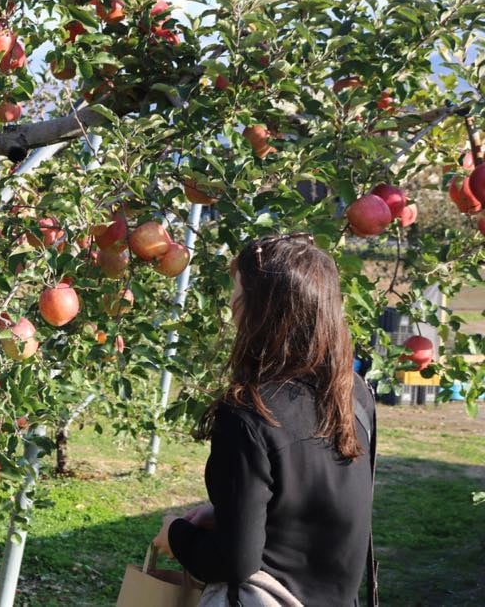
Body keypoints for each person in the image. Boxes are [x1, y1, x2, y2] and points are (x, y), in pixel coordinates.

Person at [152, 233, 375, 606]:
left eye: (237, 294)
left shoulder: (248, 415)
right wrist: (234, 511)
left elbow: (232, 563)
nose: (231, 304)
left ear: (260, 311)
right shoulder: (352, 393)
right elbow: (327, 506)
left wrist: (175, 536)